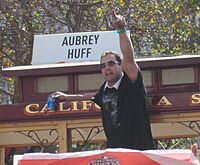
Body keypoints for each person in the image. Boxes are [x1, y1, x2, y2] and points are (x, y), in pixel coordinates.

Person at [51, 11, 154, 150]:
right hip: (115, 154)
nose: (107, 68)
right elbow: (89, 97)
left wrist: (121, 29)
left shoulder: (130, 82)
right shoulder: (105, 90)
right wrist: (66, 97)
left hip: (140, 152)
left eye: (111, 63)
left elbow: (128, 56)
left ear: (120, 65)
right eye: (103, 66)